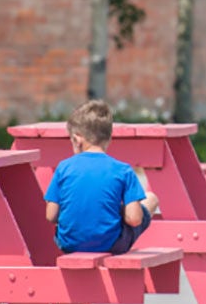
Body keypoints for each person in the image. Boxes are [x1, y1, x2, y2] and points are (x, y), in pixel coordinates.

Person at [45, 100, 161, 254]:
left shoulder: (63, 167)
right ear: (109, 138)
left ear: (77, 139)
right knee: (151, 199)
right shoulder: (123, 170)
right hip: (111, 245)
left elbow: (51, 215)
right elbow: (134, 219)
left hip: (68, 244)